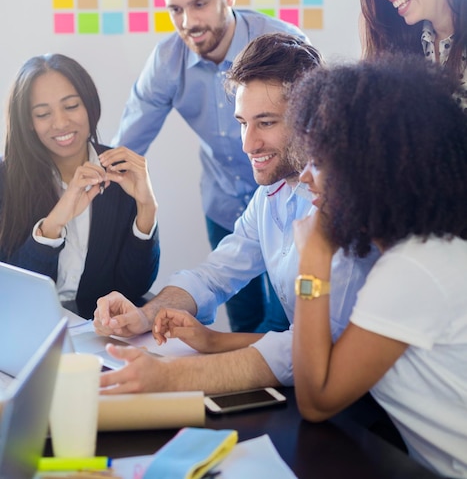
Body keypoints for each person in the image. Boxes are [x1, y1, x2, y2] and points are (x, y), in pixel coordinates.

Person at [93, 33, 379, 398]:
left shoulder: (345, 203)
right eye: (243, 122)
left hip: (361, 402)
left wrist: (177, 376)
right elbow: (213, 277)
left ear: (312, 119)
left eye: (267, 122)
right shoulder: (270, 197)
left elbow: (321, 347)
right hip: (315, 388)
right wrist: (146, 314)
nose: (248, 144)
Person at [113, 0, 309, 334]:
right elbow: (124, 150)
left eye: (199, 4)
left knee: (286, 322)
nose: (188, 21)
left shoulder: (282, 48)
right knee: (244, 319)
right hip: (225, 203)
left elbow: (317, 136)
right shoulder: (168, 63)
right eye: (176, 9)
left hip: (292, 196)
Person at [288, 53, 467, 478]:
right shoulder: (423, 251)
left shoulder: (414, 269)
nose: (304, 177)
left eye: (319, 161)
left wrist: (313, 256)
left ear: (366, 169)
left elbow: (317, 400)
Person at [0, 54, 160, 319]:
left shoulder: (122, 172)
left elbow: (134, 288)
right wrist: (52, 226)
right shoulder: (6, 178)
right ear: (28, 122)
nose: (61, 123)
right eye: (43, 114)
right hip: (23, 328)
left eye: (71, 106)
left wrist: (147, 209)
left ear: (89, 105)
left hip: (94, 333)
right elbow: (11, 291)